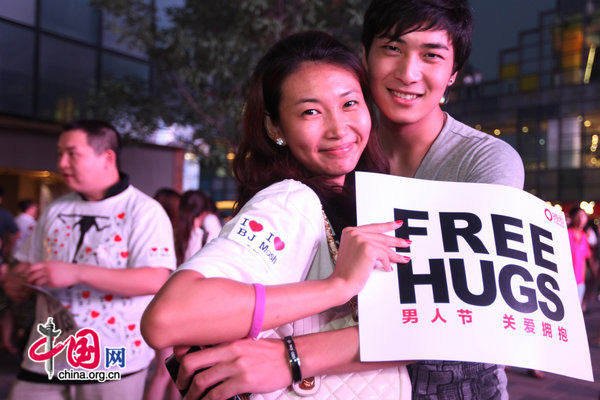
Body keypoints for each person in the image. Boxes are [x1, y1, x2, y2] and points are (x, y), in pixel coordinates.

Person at [174, 1, 526, 399]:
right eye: (392, 48)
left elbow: (475, 314)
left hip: (455, 387)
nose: (408, 73)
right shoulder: (340, 158)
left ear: (453, 74)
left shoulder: (484, 161)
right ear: (365, 58)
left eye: (431, 55)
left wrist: (291, 357)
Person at [141, 31, 413, 399]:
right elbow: (168, 317)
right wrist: (337, 287)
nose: (338, 128)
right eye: (311, 112)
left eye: (350, 104)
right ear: (275, 128)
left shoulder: (357, 196)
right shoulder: (290, 200)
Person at [4, 120, 176, 400]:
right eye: (60, 153)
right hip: (46, 355)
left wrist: (77, 272)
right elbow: (26, 264)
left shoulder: (144, 211)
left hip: (111, 359)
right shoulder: (56, 208)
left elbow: (155, 279)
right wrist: (17, 281)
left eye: (72, 153)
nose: (62, 162)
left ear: (107, 157)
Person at [568, 206, 591, 307]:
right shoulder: (567, 234)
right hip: (568, 281)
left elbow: (584, 260)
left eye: (584, 215)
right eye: (580, 215)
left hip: (580, 283)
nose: (582, 218)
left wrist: (583, 281)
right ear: (573, 217)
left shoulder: (584, 236)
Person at [0, 187, 18, 262]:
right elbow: (17, 234)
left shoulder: (4, 214)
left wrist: (6, 248)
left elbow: (16, 233)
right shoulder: (4, 214)